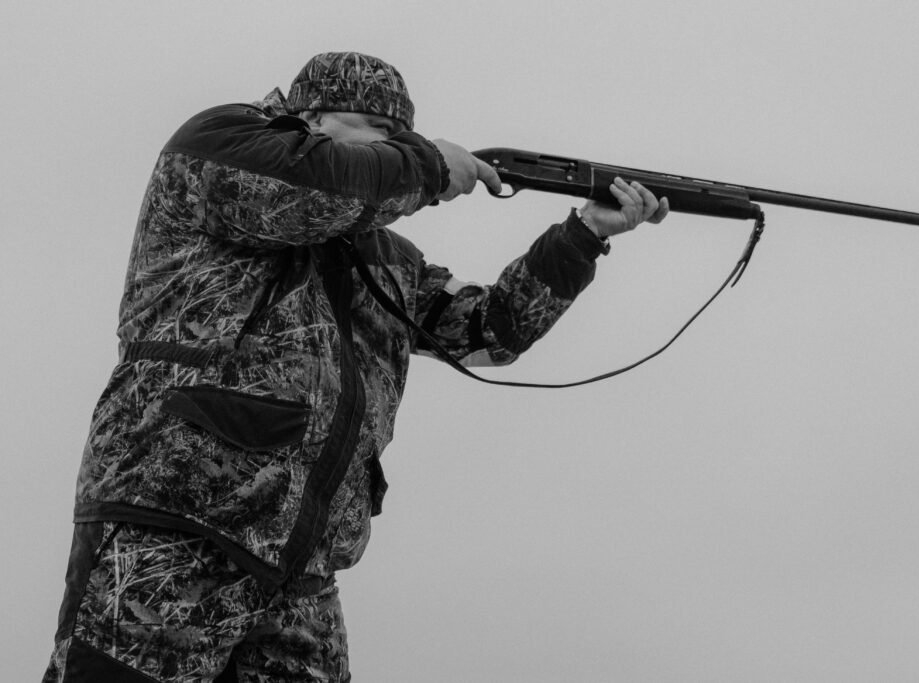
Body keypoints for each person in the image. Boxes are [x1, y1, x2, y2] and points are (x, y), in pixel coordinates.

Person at [43, 52, 669, 682]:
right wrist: (425, 164)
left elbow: (489, 332)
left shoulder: (388, 256)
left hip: (303, 568)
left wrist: (587, 233)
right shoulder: (219, 146)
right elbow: (319, 186)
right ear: (305, 115)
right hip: (175, 522)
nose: (386, 142)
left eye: (397, 133)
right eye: (368, 123)